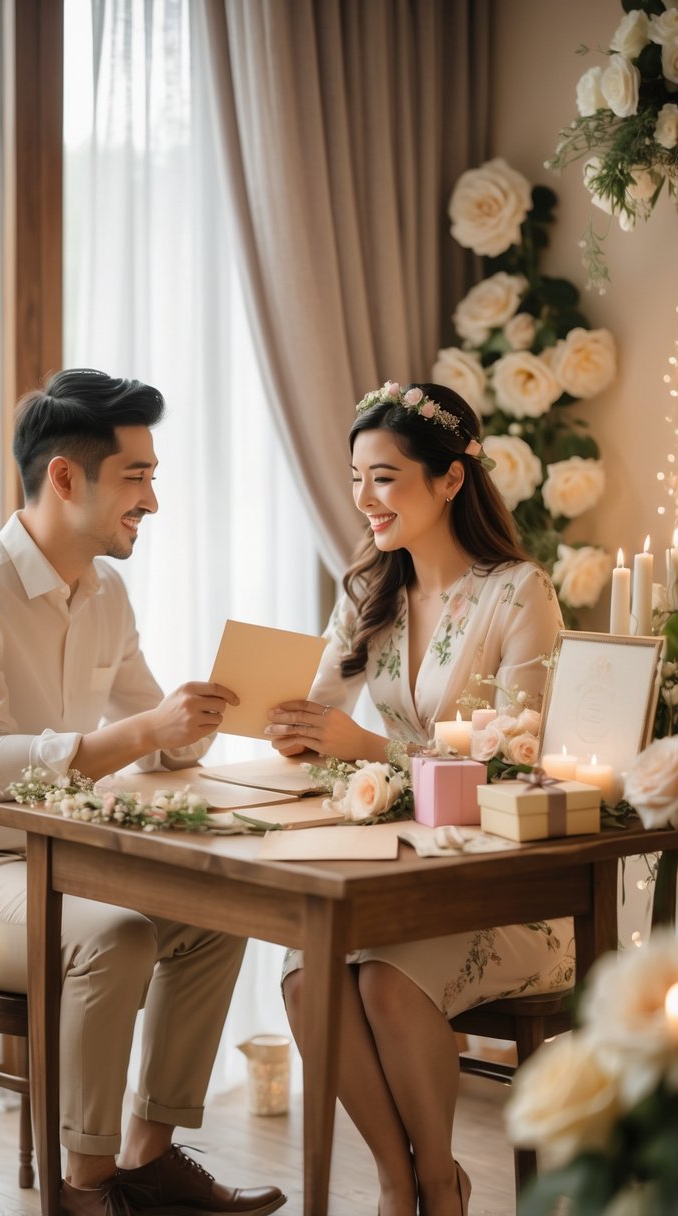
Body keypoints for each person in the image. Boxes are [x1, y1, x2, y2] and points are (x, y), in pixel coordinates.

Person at [0, 369, 286, 1216]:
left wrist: (201, 718)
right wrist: (148, 732)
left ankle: (146, 1159)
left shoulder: (104, 592)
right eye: (136, 477)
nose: (152, 500)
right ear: (66, 477)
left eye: (152, 477)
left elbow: (150, 726)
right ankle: (84, 1189)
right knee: (118, 934)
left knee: (223, 913)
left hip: (49, 861)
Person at [265, 382, 571, 1216]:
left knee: (387, 984)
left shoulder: (520, 594)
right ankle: (399, 1182)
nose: (364, 499)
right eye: (356, 477)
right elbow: (318, 703)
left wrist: (366, 747)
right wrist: (288, 722)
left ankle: (437, 1183)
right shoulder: (369, 587)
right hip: (399, 868)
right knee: (303, 979)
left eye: (385, 478)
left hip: (509, 886)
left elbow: (518, 766)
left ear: (449, 481)